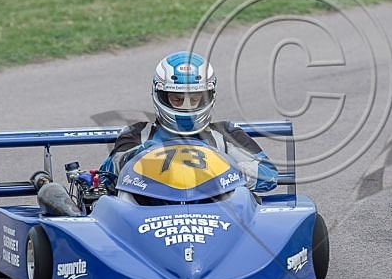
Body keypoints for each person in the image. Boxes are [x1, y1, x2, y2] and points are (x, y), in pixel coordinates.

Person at [100, 51, 279, 193]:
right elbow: (108, 173)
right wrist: (145, 153)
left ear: (207, 97)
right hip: (152, 211)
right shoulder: (138, 134)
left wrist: (224, 171)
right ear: (161, 96)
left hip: (216, 213)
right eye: (177, 99)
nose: (186, 107)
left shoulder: (225, 134)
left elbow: (268, 174)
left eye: (194, 100)